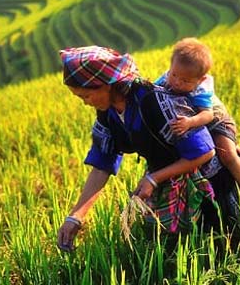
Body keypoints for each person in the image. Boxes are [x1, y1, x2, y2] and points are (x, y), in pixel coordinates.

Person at [56, 46, 219, 252]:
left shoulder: (154, 101)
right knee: (161, 244)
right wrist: (76, 217)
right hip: (164, 174)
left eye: (85, 96)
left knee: (210, 240)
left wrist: (154, 178)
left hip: (204, 175)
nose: (85, 103)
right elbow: (101, 166)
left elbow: (204, 152)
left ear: (106, 86)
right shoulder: (107, 114)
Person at [155, 38, 240, 214]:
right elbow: (154, 90)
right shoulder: (169, 77)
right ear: (170, 67)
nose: (178, 82)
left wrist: (189, 123)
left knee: (227, 154)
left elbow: (207, 115)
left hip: (217, 122)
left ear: (200, 79)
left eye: (186, 81)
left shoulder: (201, 90)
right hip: (199, 125)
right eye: (174, 75)